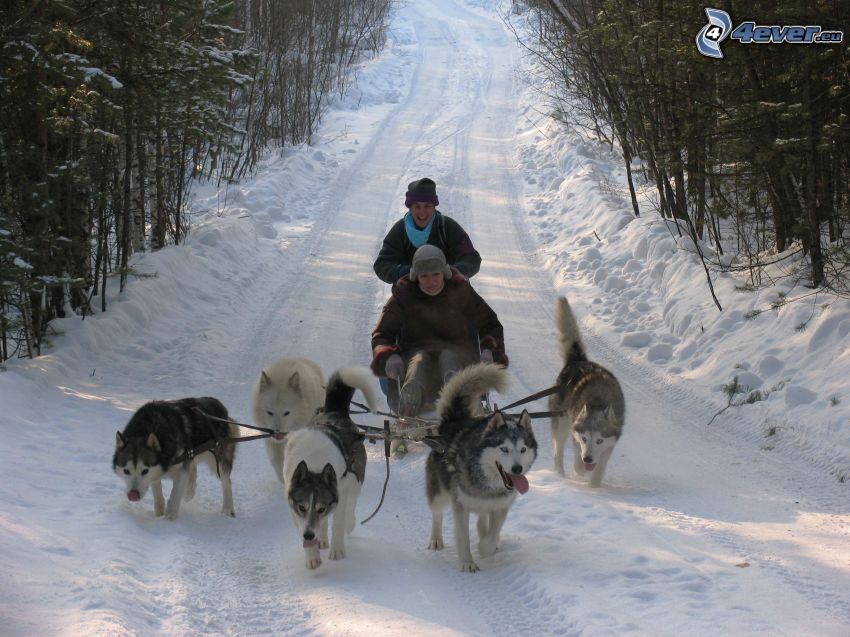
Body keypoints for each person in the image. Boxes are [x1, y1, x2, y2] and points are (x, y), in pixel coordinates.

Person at [370, 245, 508, 424]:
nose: (431, 281)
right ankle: (408, 405)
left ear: (444, 272)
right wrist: (388, 356)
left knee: (449, 358)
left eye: (436, 274)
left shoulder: (460, 290)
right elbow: (382, 333)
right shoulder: (403, 295)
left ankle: (460, 400)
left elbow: (490, 323)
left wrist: (490, 349)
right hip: (415, 353)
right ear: (415, 276)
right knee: (418, 362)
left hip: (459, 351)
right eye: (424, 276)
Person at [373, 177, 481, 285]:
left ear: (434, 207)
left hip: (447, 292)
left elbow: (472, 259)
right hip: (410, 294)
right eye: (417, 206)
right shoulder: (400, 230)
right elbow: (382, 265)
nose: (422, 213)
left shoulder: (447, 227)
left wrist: (450, 272)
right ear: (410, 208)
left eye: (427, 206)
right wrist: (405, 272)